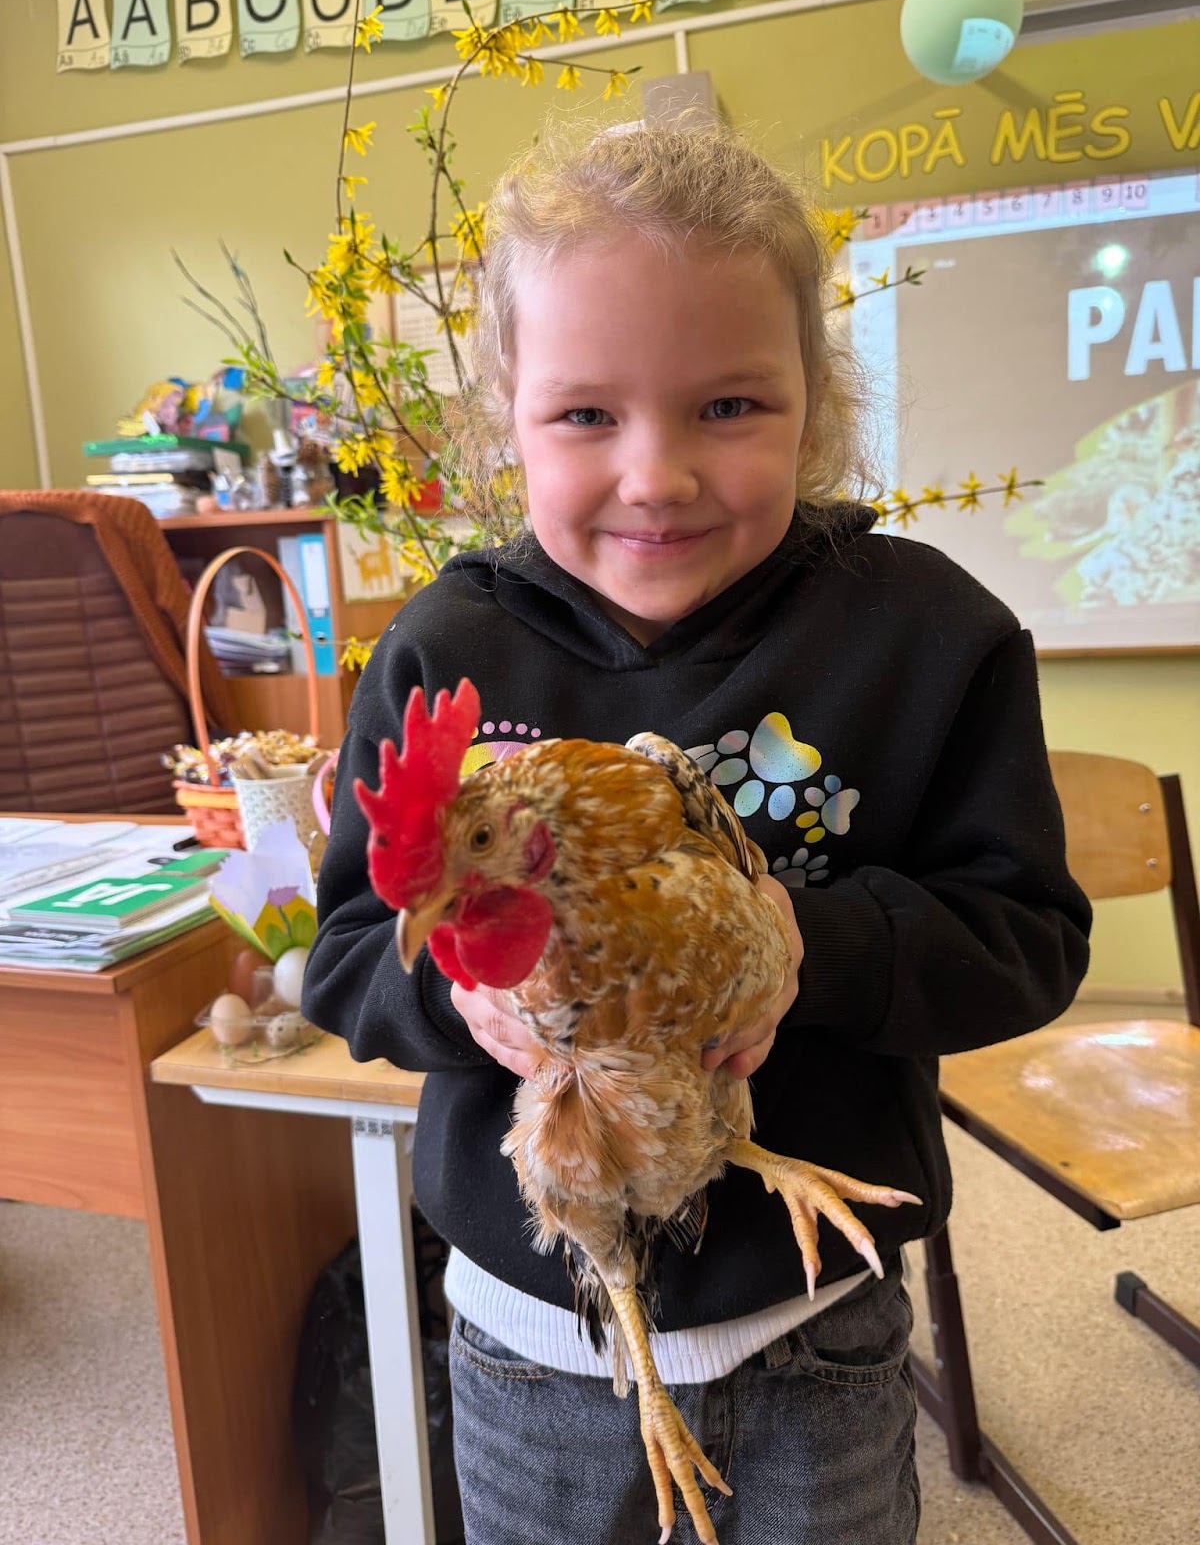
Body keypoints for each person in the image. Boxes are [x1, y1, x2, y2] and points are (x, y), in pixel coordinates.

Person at [302, 119, 1091, 1545]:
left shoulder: (927, 637)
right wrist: (464, 997)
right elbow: (348, 955)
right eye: (585, 415)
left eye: (728, 406)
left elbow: (1027, 941)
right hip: (531, 1328)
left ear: (817, 403)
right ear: (505, 414)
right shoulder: (444, 647)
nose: (655, 474)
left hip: (816, 1319)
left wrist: (802, 947)